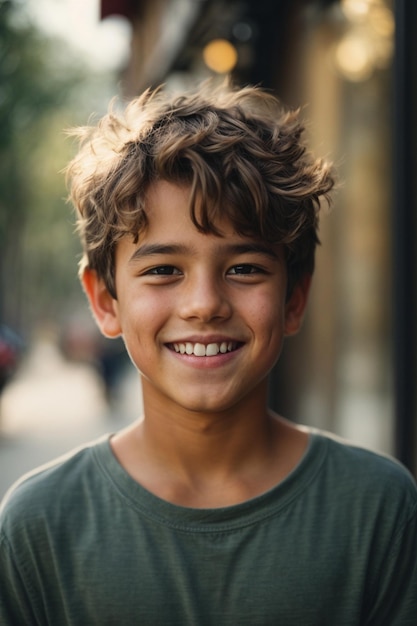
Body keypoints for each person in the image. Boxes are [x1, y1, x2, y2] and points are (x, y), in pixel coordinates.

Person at [0, 81, 416, 625]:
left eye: (244, 268)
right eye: (163, 270)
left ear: (294, 298)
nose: (204, 305)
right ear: (106, 301)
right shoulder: (39, 523)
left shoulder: (378, 509)